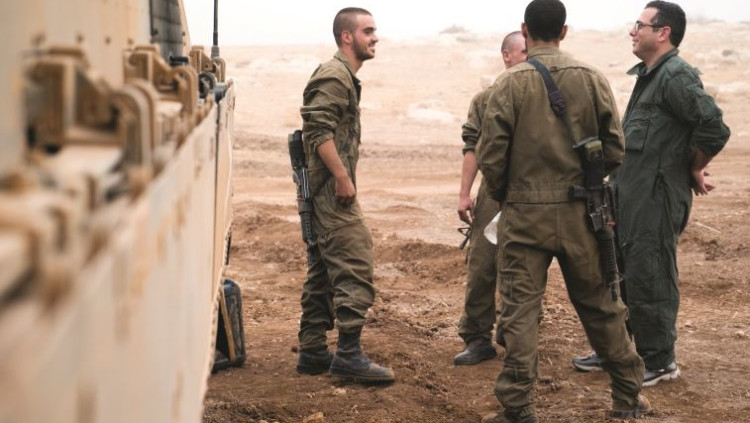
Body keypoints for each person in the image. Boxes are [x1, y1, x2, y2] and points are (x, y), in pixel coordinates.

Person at [478, 1, 651, 421]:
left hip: (523, 214)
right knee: (602, 306)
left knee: (519, 311)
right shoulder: (591, 78)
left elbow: (491, 156)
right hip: (583, 212)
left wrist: (507, 195)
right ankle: (627, 397)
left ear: (525, 30)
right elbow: (615, 149)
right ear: (565, 30)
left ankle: (518, 407)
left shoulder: (509, 83)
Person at [572, 1, 730, 386]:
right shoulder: (650, 76)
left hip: (656, 199)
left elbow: (713, 128)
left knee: (651, 275)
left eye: (640, 25)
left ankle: (659, 361)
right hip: (632, 196)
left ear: (663, 33)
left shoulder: (675, 74)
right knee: (623, 273)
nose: (632, 31)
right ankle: (617, 350)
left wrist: (693, 166)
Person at [295, 7, 394, 383]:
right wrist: (341, 177)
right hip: (331, 193)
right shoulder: (335, 76)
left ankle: (312, 350)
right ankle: (349, 354)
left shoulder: (342, 76)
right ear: (347, 37)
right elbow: (316, 130)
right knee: (355, 259)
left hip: (324, 190)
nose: (375, 37)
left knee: (323, 266)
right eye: (368, 31)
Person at [454, 31, 527, 366]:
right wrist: (464, 194)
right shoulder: (486, 99)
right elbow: (472, 147)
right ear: (506, 56)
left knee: (524, 266)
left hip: (532, 192)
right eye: (523, 52)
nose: (529, 58)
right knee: (482, 263)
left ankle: (517, 336)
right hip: (494, 191)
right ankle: (477, 337)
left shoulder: (545, 94)